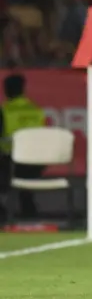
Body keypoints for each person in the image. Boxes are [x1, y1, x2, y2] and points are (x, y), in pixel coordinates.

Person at [0, 74, 47, 220]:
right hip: (36, 164)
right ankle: (27, 205)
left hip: (11, 164)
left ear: (6, 90)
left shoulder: (4, 111)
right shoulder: (36, 110)